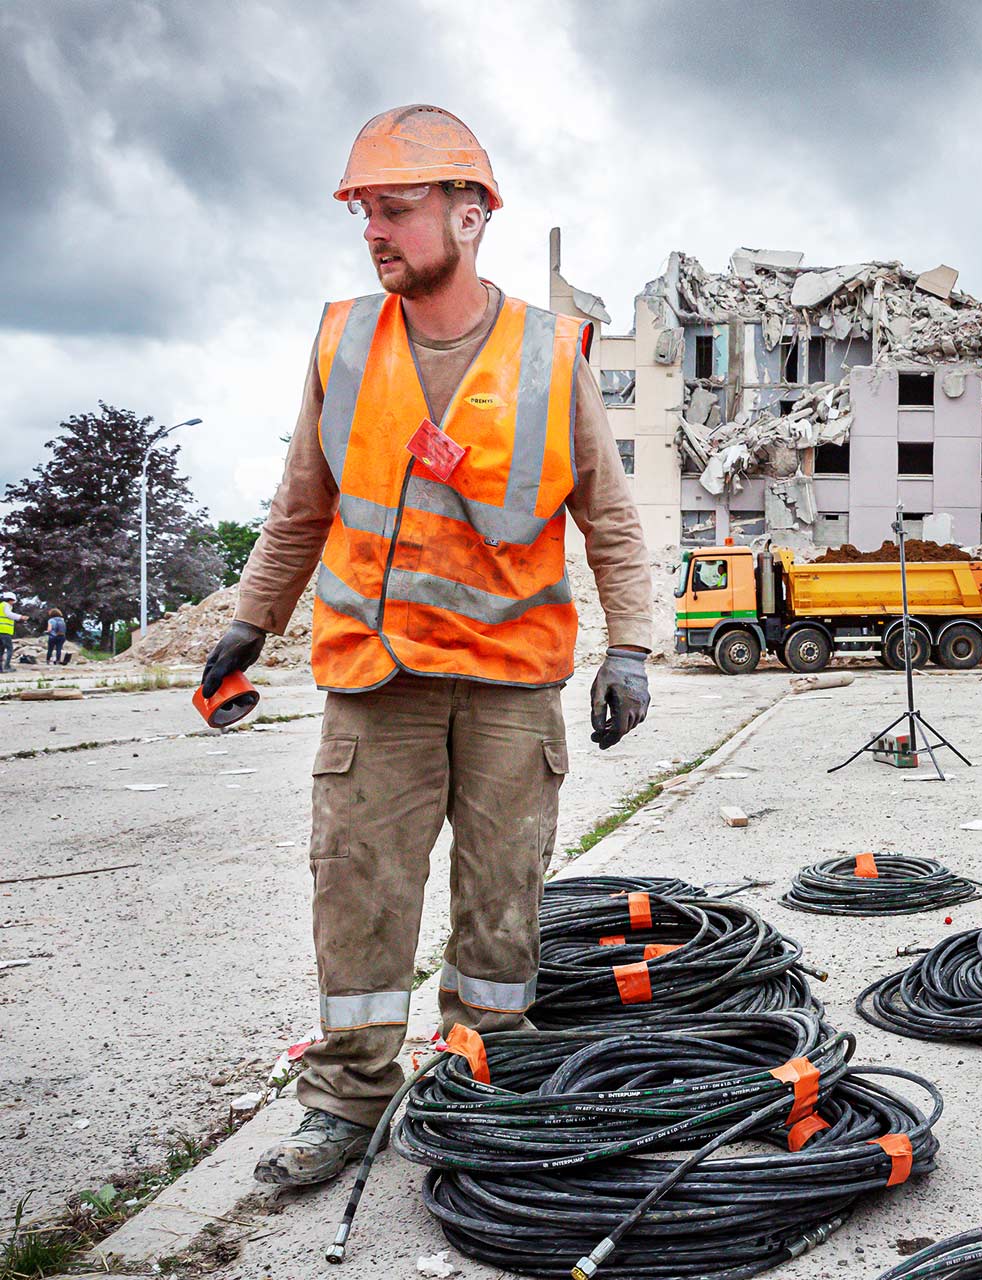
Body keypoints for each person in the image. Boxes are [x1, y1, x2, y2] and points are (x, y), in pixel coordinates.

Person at [198, 105, 656, 1188]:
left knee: (503, 898)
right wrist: (247, 621)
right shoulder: (344, 343)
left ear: (471, 213)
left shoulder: (549, 354)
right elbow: (300, 508)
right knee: (357, 892)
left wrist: (631, 646)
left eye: (396, 209)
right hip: (377, 677)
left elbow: (613, 520)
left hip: (508, 685)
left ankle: (482, 1083)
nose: (375, 231)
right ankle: (347, 1099)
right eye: (365, 211)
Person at [0, 591, 15, 673]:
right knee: (10, 649)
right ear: (10, 600)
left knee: (1, 650)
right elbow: (9, 614)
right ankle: (7, 666)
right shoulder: (6, 605)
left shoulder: (0, 605)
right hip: (5, 631)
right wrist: (20, 617)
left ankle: (0, 668)